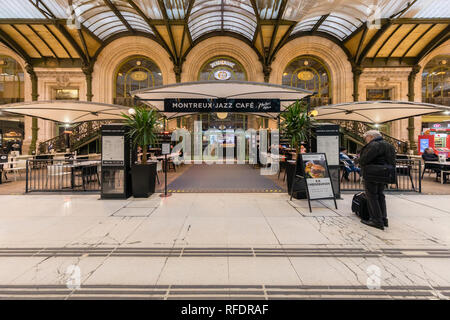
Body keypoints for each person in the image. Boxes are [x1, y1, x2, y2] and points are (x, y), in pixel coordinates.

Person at [357, 130, 396, 230]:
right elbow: (392, 162)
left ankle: (376, 220)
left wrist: (358, 159)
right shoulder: (389, 145)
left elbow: (364, 160)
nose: (366, 140)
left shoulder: (373, 145)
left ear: (370, 137)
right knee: (380, 195)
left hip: (372, 174)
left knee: (372, 197)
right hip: (384, 174)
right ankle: (383, 219)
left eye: (366, 138)